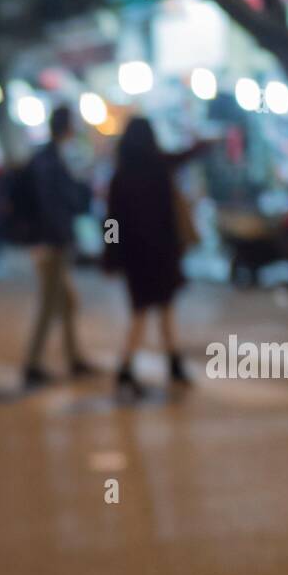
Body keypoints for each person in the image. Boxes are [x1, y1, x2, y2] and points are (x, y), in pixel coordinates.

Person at [104, 117, 205, 396]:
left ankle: (134, 368)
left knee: (141, 314)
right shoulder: (160, 169)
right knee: (166, 311)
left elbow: (111, 222)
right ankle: (167, 367)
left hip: (136, 259)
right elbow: (170, 214)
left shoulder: (120, 176)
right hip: (162, 255)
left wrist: (112, 256)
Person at [23, 106, 95, 387]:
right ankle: (33, 364)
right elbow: (61, 202)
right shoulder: (52, 162)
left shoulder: (47, 158)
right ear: (68, 128)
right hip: (52, 243)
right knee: (51, 302)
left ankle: (73, 357)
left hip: (50, 241)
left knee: (66, 302)